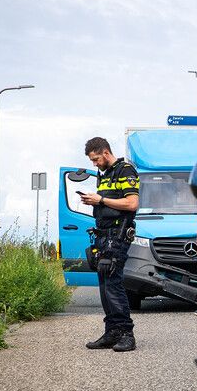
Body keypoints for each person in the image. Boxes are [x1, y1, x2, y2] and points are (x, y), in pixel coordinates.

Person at [80, 137, 139, 351]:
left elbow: (132, 203)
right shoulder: (104, 175)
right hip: (103, 235)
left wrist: (101, 200)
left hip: (118, 234)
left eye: (96, 159)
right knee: (105, 284)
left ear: (105, 152)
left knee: (113, 283)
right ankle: (112, 332)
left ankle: (126, 334)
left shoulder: (125, 170)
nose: (94, 164)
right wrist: (93, 200)